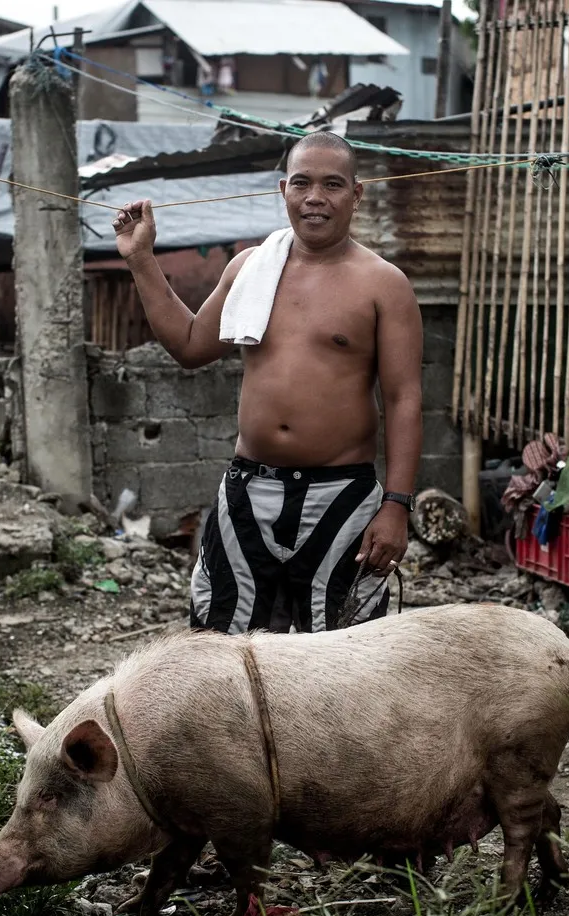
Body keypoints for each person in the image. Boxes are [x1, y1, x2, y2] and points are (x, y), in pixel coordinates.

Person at [112, 131, 423, 634]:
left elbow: (404, 398)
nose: (315, 198)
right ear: (283, 191)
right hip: (247, 490)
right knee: (222, 649)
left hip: (341, 495)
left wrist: (397, 506)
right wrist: (141, 259)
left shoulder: (383, 283)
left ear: (356, 194)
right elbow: (191, 345)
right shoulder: (252, 268)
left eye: (332, 184)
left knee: (339, 653)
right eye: (302, 183)